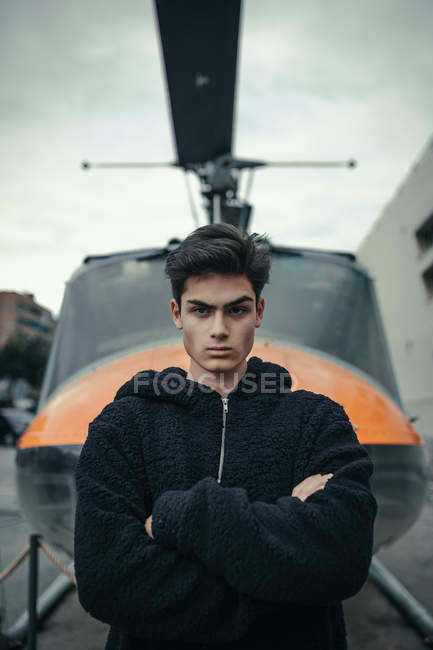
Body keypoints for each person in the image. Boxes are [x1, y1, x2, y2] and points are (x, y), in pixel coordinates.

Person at [74, 223, 378, 650]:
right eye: (201, 310)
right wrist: (287, 551)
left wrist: (172, 518)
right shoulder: (123, 425)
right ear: (177, 314)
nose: (219, 329)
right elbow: (108, 580)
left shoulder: (318, 420)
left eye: (236, 310)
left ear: (259, 311)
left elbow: (342, 560)